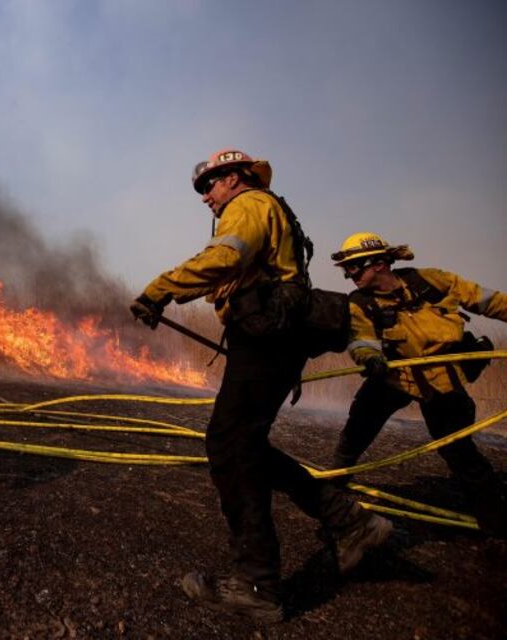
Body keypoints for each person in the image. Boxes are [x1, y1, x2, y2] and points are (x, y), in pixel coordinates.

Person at [130, 149, 392, 623]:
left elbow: (225, 256)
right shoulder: (265, 208)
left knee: (229, 445)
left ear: (233, 178)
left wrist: (161, 287)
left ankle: (257, 585)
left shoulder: (249, 204)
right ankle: (348, 521)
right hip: (271, 335)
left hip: (268, 336)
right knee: (242, 444)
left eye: (209, 185)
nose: (206, 197)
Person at [330, 232, 506, 536]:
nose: (350, 275)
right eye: (347, 269)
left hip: (441, 383)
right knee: (359, 425)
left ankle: (494, 518)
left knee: (459, 450)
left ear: (379, 263)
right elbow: (361, 340)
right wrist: (369, 358)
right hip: (393, 377)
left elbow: (487, 300)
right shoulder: (360, 303)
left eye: (355, 268)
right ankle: (337, 476)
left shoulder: (430, 282)